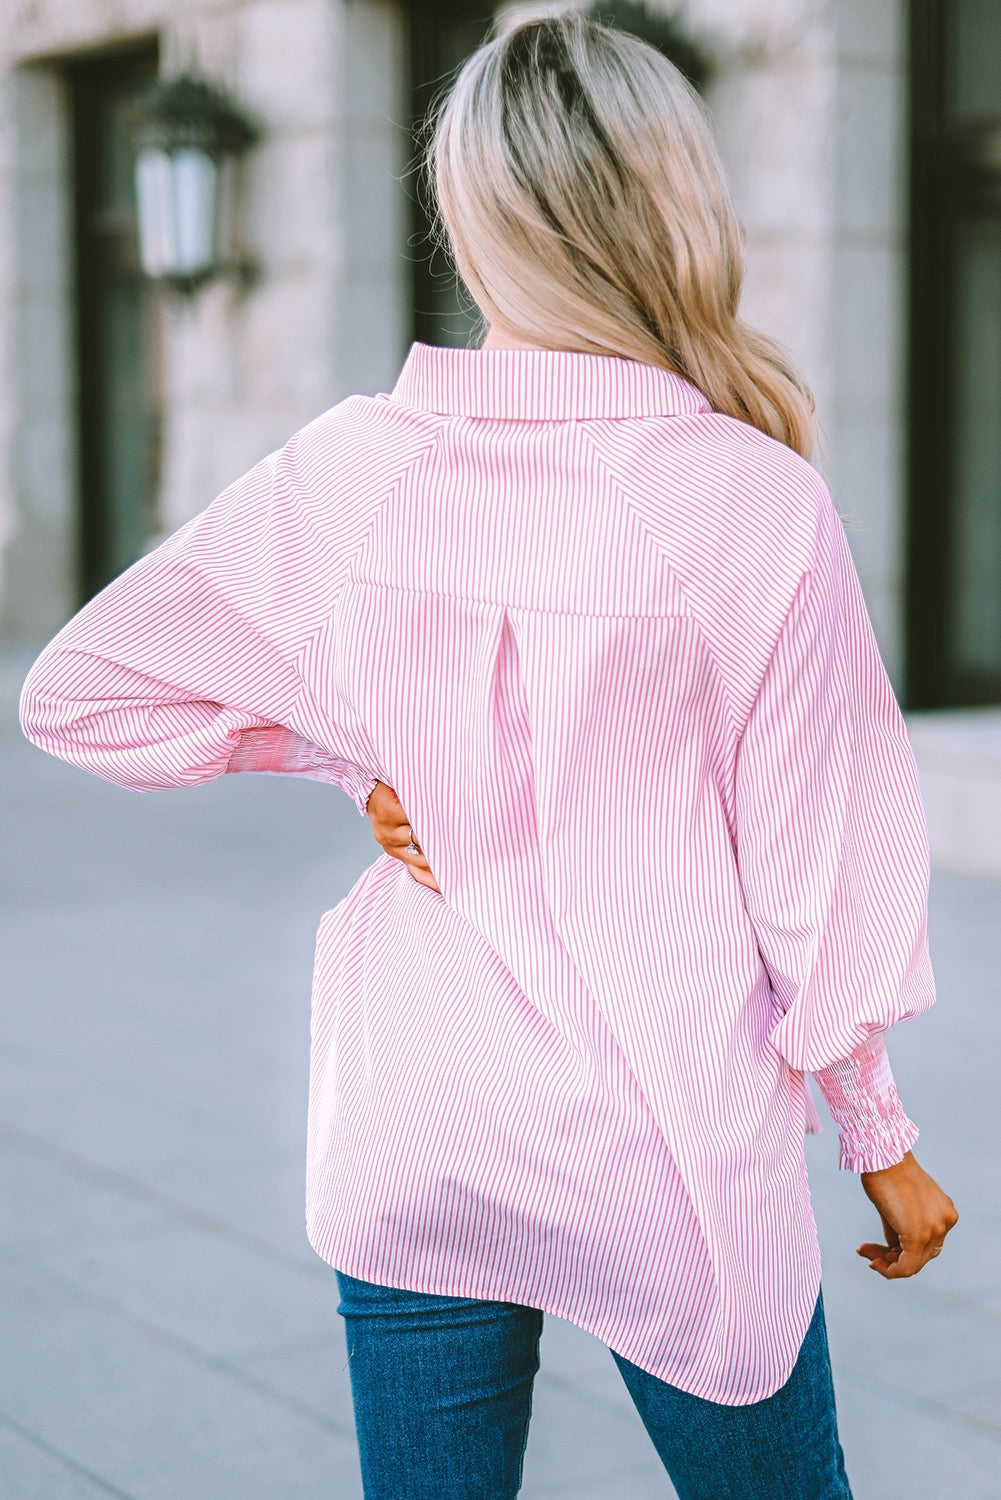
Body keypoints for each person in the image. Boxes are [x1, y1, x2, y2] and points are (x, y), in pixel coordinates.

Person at [19, 14, 957, 1499]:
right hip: (667, 1149)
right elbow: (812, 876)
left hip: (421, 1112)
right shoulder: (754, 502)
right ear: (673, 207)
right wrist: (878, 1138)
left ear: (471, 221)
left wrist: (349, 759)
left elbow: (81, 693)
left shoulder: (351, 467)